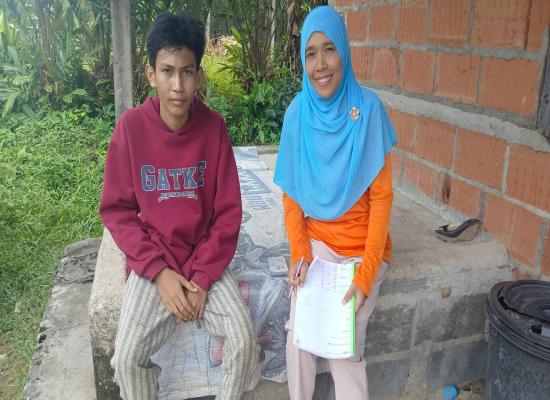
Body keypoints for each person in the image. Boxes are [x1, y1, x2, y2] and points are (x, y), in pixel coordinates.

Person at [99, 12, 260, 400]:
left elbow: (227, 214)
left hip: (204, 259)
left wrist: (202, 279)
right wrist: (158, 273)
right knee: (126, 360)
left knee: (243, 341)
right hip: (156, 260)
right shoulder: (131, 129)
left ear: (198, 76)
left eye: (187, 72)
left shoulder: (213, 128)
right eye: (167, 71)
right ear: (151, 74)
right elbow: (118, 211)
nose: (177, 86)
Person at [273, 6, 397, 400]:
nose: (321, 64)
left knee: (345, 342)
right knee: (299, 336)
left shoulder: (369, 110)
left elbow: (382, 199)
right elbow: (292, 197)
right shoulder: (297, 114)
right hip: (320, 247)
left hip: (363, 250)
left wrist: (366, 275)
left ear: (343, 51)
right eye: (311, 53)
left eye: (329, 49)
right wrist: (300, 254)